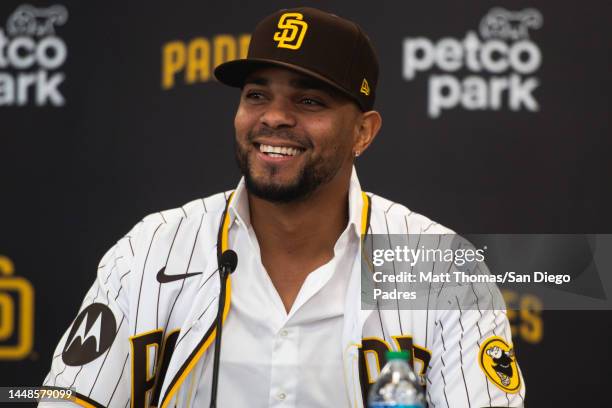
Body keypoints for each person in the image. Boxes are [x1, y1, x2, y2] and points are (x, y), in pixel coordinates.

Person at [41, 7, 525, 408]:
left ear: (364, 132)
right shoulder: (150, 250)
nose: (274, 116)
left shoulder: (442, 269)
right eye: (257, 95)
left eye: (309, 101)